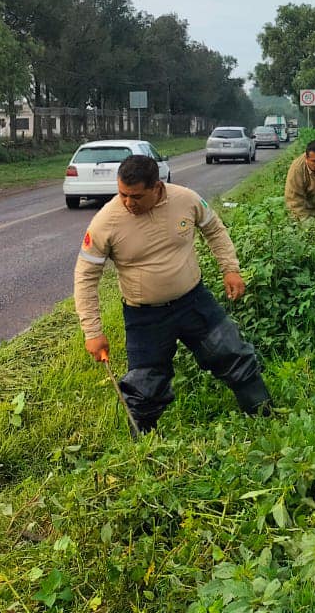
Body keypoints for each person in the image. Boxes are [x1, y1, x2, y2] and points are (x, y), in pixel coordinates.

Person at [74, 155, 271, 432]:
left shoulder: (186, 200)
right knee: (144, 388)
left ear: (157, 187)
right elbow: (85, 277)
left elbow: (214, 230)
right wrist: (92, 331)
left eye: (136, 196)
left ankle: (264, 417)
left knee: (233, 354)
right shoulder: (105, 222)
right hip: (145, 318)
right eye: (122, 194)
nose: (128, 203)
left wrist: (230, 269)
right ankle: (145, 449)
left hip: (194, 302)